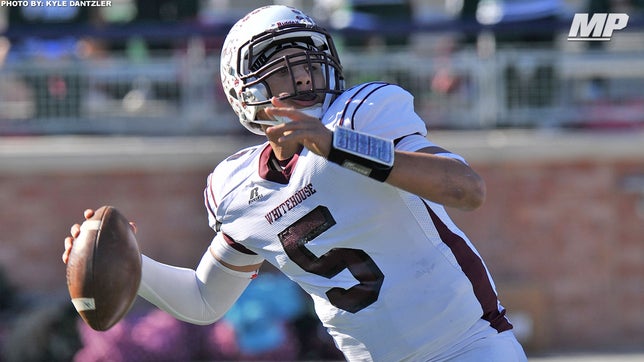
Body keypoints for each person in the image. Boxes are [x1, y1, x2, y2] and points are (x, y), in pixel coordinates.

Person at [63, 5, 527, 361]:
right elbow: (205, 301)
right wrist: (125, 264)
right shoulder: (237, 187)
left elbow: (467, 189)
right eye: (283, 65)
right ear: (244, 90)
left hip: (470, 345)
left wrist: (336, 146)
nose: (304, 73)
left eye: (308, 59)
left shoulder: (362, 116)